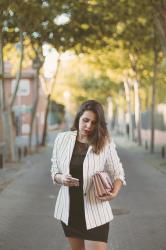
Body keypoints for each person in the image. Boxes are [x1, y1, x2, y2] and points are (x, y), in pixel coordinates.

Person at [51, 100, 126, 250]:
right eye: (85, 120)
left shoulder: (105, 142)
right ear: (78, 117)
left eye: (94, 123)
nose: (88, 126)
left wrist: (114, 193)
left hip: (96, 213)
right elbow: (54, 170)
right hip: (70, 212)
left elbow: (118, 172)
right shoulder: (62, 139)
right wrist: (61, 178)